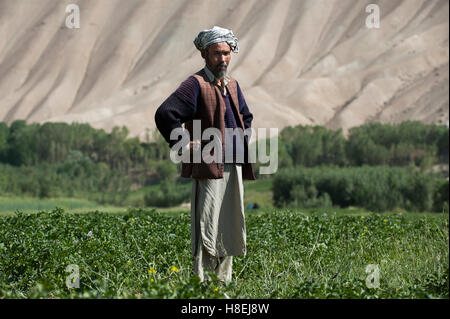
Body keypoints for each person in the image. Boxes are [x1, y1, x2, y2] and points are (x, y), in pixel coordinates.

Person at [154, 26, 256, 283]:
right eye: (216, 54)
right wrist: (187, 145)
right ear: (204, 54)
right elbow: (165, 114)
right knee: (207, 225)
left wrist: (244, 139)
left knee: (231, 224)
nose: (222, 59)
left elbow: (246, 116)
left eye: (226, 53)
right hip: (209, 166)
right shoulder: (195, 84)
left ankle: (223, 284)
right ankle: (203, 286)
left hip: (234, 165)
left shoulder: (232, 85)